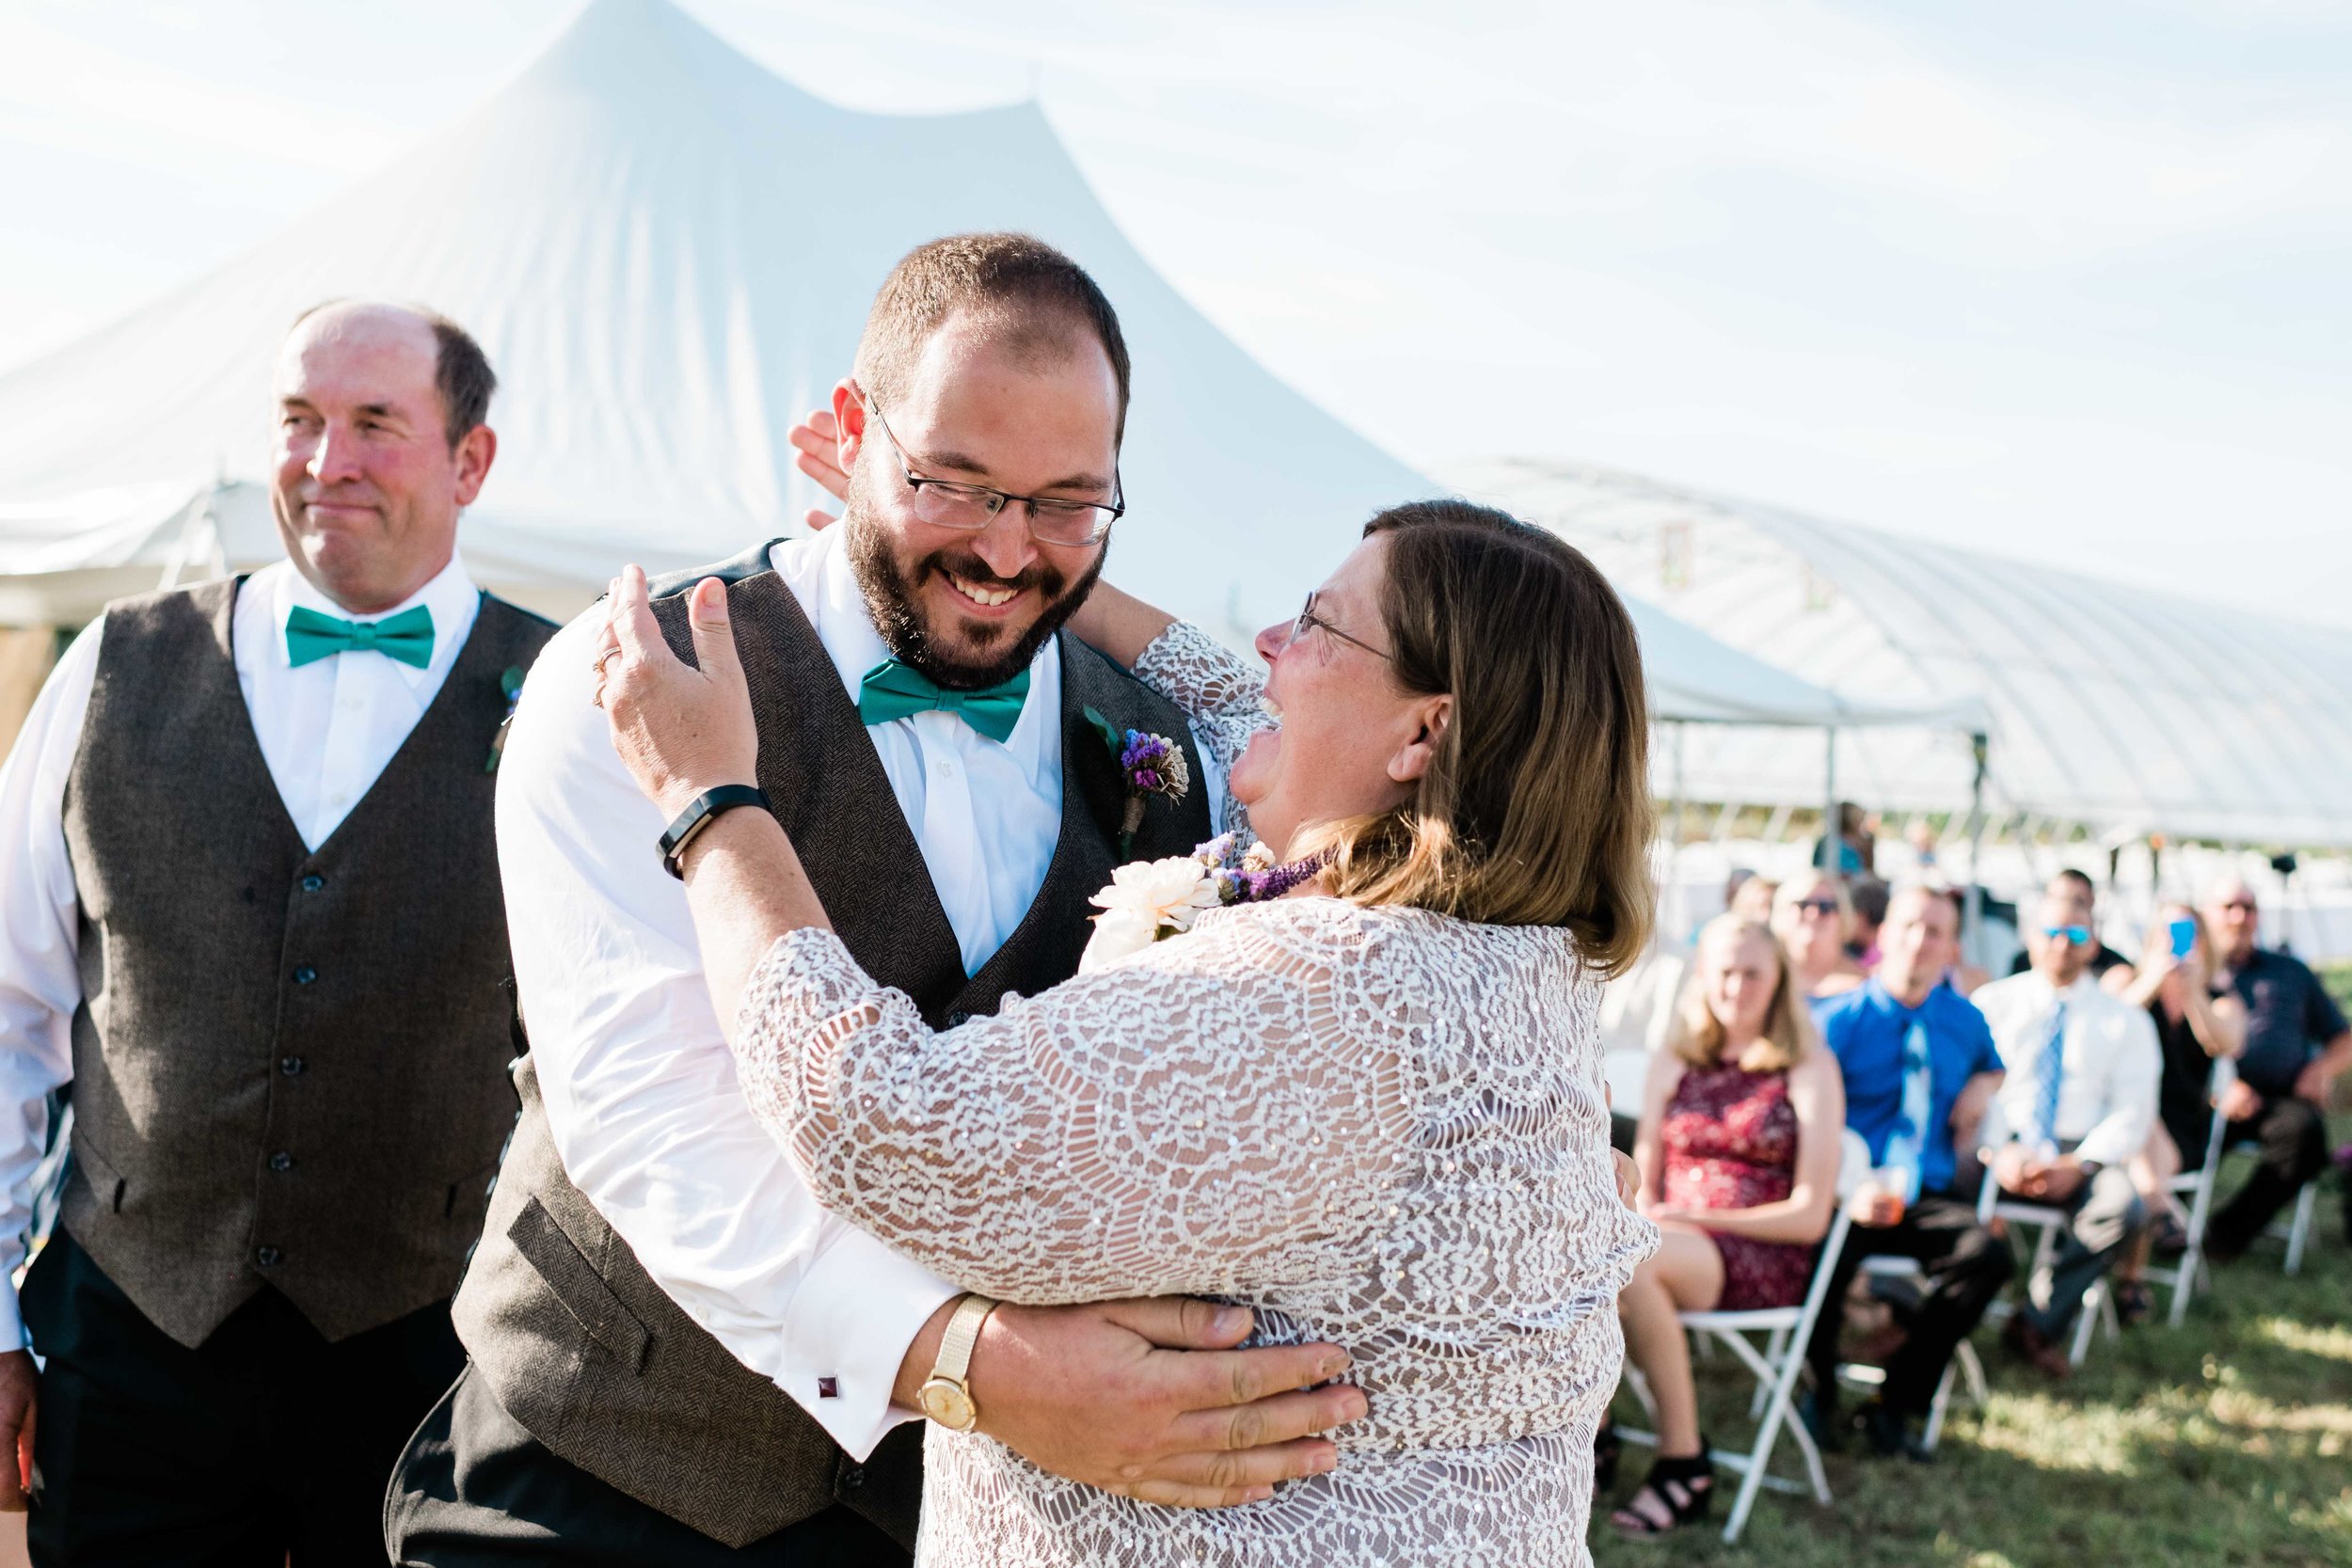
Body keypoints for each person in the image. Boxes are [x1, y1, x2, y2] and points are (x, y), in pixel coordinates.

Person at [388, 236, 1376, 1565]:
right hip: (603, 1473)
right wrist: (982, 1367)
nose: (1007, 550)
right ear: (850, 430)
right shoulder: (631, 679)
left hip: (958, 1519)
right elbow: (650, 1113)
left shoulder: (1174, 749)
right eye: (953, 484)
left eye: (1069, 503)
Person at [589, 484, 1661, 1564]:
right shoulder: (1519, 951)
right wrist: (1042, 563)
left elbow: (881, 1115)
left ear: (1426, 732)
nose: (1270, 644)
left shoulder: (1336, 987)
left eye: (1315, 623)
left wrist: (709, 794)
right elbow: (1247, 697)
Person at [0, 302, 555, 1562]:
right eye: (300, 421)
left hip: (434, 1359)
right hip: (130, 1340)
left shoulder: (568, 697)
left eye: (375, 424)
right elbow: (9, 1008)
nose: (326, 460)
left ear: (471, 460)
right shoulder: (115, 664)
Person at [1607, 916, 1844, 1536]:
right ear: (1701, 977)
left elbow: (1812, 1213)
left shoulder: (1808, 1066)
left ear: (1779, 981)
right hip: (1668, 1239)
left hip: (1759, 1251)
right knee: (1595, 1249)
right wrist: (1654, 1217)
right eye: (1723, 971)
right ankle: (1595, 1431)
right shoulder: (1676, 1059)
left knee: (1631, 1259)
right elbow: (1648, 1180)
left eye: (1752, 972)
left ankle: (1684, 1458)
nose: (1736, 986)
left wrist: (1691, 1217)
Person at [1806, 887, 2010, 1460]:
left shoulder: (1964, 1021)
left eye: (1936, 932)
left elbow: (1996, 1069)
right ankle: (1819, 1391)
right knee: (1814, 1254)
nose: (1921, 941)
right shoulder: (1838, 1020)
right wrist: (1853, 1185)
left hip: (1925, 1193)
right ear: (1884, 934)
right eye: (1911, 926)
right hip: (1850, 1188)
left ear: (1952, 949)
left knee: (1988, 1256)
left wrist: (1985, 1085)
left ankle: (1896, 1402)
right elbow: (1809, 1115)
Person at [1972, 895, 2160, 1375]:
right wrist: (1999, 1150)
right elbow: (1972, 1090)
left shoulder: (2124, 1020)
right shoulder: (1992, 1003)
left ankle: (2036, 1322)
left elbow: (2133, 1111)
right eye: (2052, 931)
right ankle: (1918, 1315)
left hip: (2081, 1151)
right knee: (1937, 1191)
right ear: (2031, 937)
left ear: (2094, 943)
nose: (2062, 944)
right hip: (1999, 1142)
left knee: (2122, 1207)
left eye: (2076, 934)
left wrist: (2081, 1163)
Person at [2201, 878, 2351, 1262]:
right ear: (2207, 915)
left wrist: (2320, 1069)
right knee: (2175, 1133)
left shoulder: (2290, 972)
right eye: (2228, 907)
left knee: (2306, 1137)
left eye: (2248, 908)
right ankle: (2166, 1223)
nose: (2239, 917)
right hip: (2205, 1097)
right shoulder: (2193, 974)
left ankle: (2225, 1233)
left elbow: (2343, 1037)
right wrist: (2223, 1086)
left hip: (2280, 1099)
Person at [2111, 905, 2244, 1317]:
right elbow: (2103, 1028)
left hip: (2179, 1125)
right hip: (2117, 1120)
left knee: (2140, 1125)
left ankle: (2151, 1219)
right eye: (2166, 934)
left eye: (2187, 935)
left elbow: (2225, 1043)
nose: (2177, 945)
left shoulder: (2222, 1000)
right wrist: (2152, 981)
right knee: (2135, 1115)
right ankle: (2160, 1216)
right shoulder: (2125, 982)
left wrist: (2192, 996)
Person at [2004, 870, 2134, 990]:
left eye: (2078, 902)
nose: (2063, 944)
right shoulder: (2021, 962)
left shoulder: (2112, 965)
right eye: (2058, 899)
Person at [1773, 869, 1864, 1001]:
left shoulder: (1862, 986)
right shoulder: (1766, 978)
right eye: (1803, 905)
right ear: (1782, 912)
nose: (1813, 914)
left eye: (1825, 907)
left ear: (1843, 916)